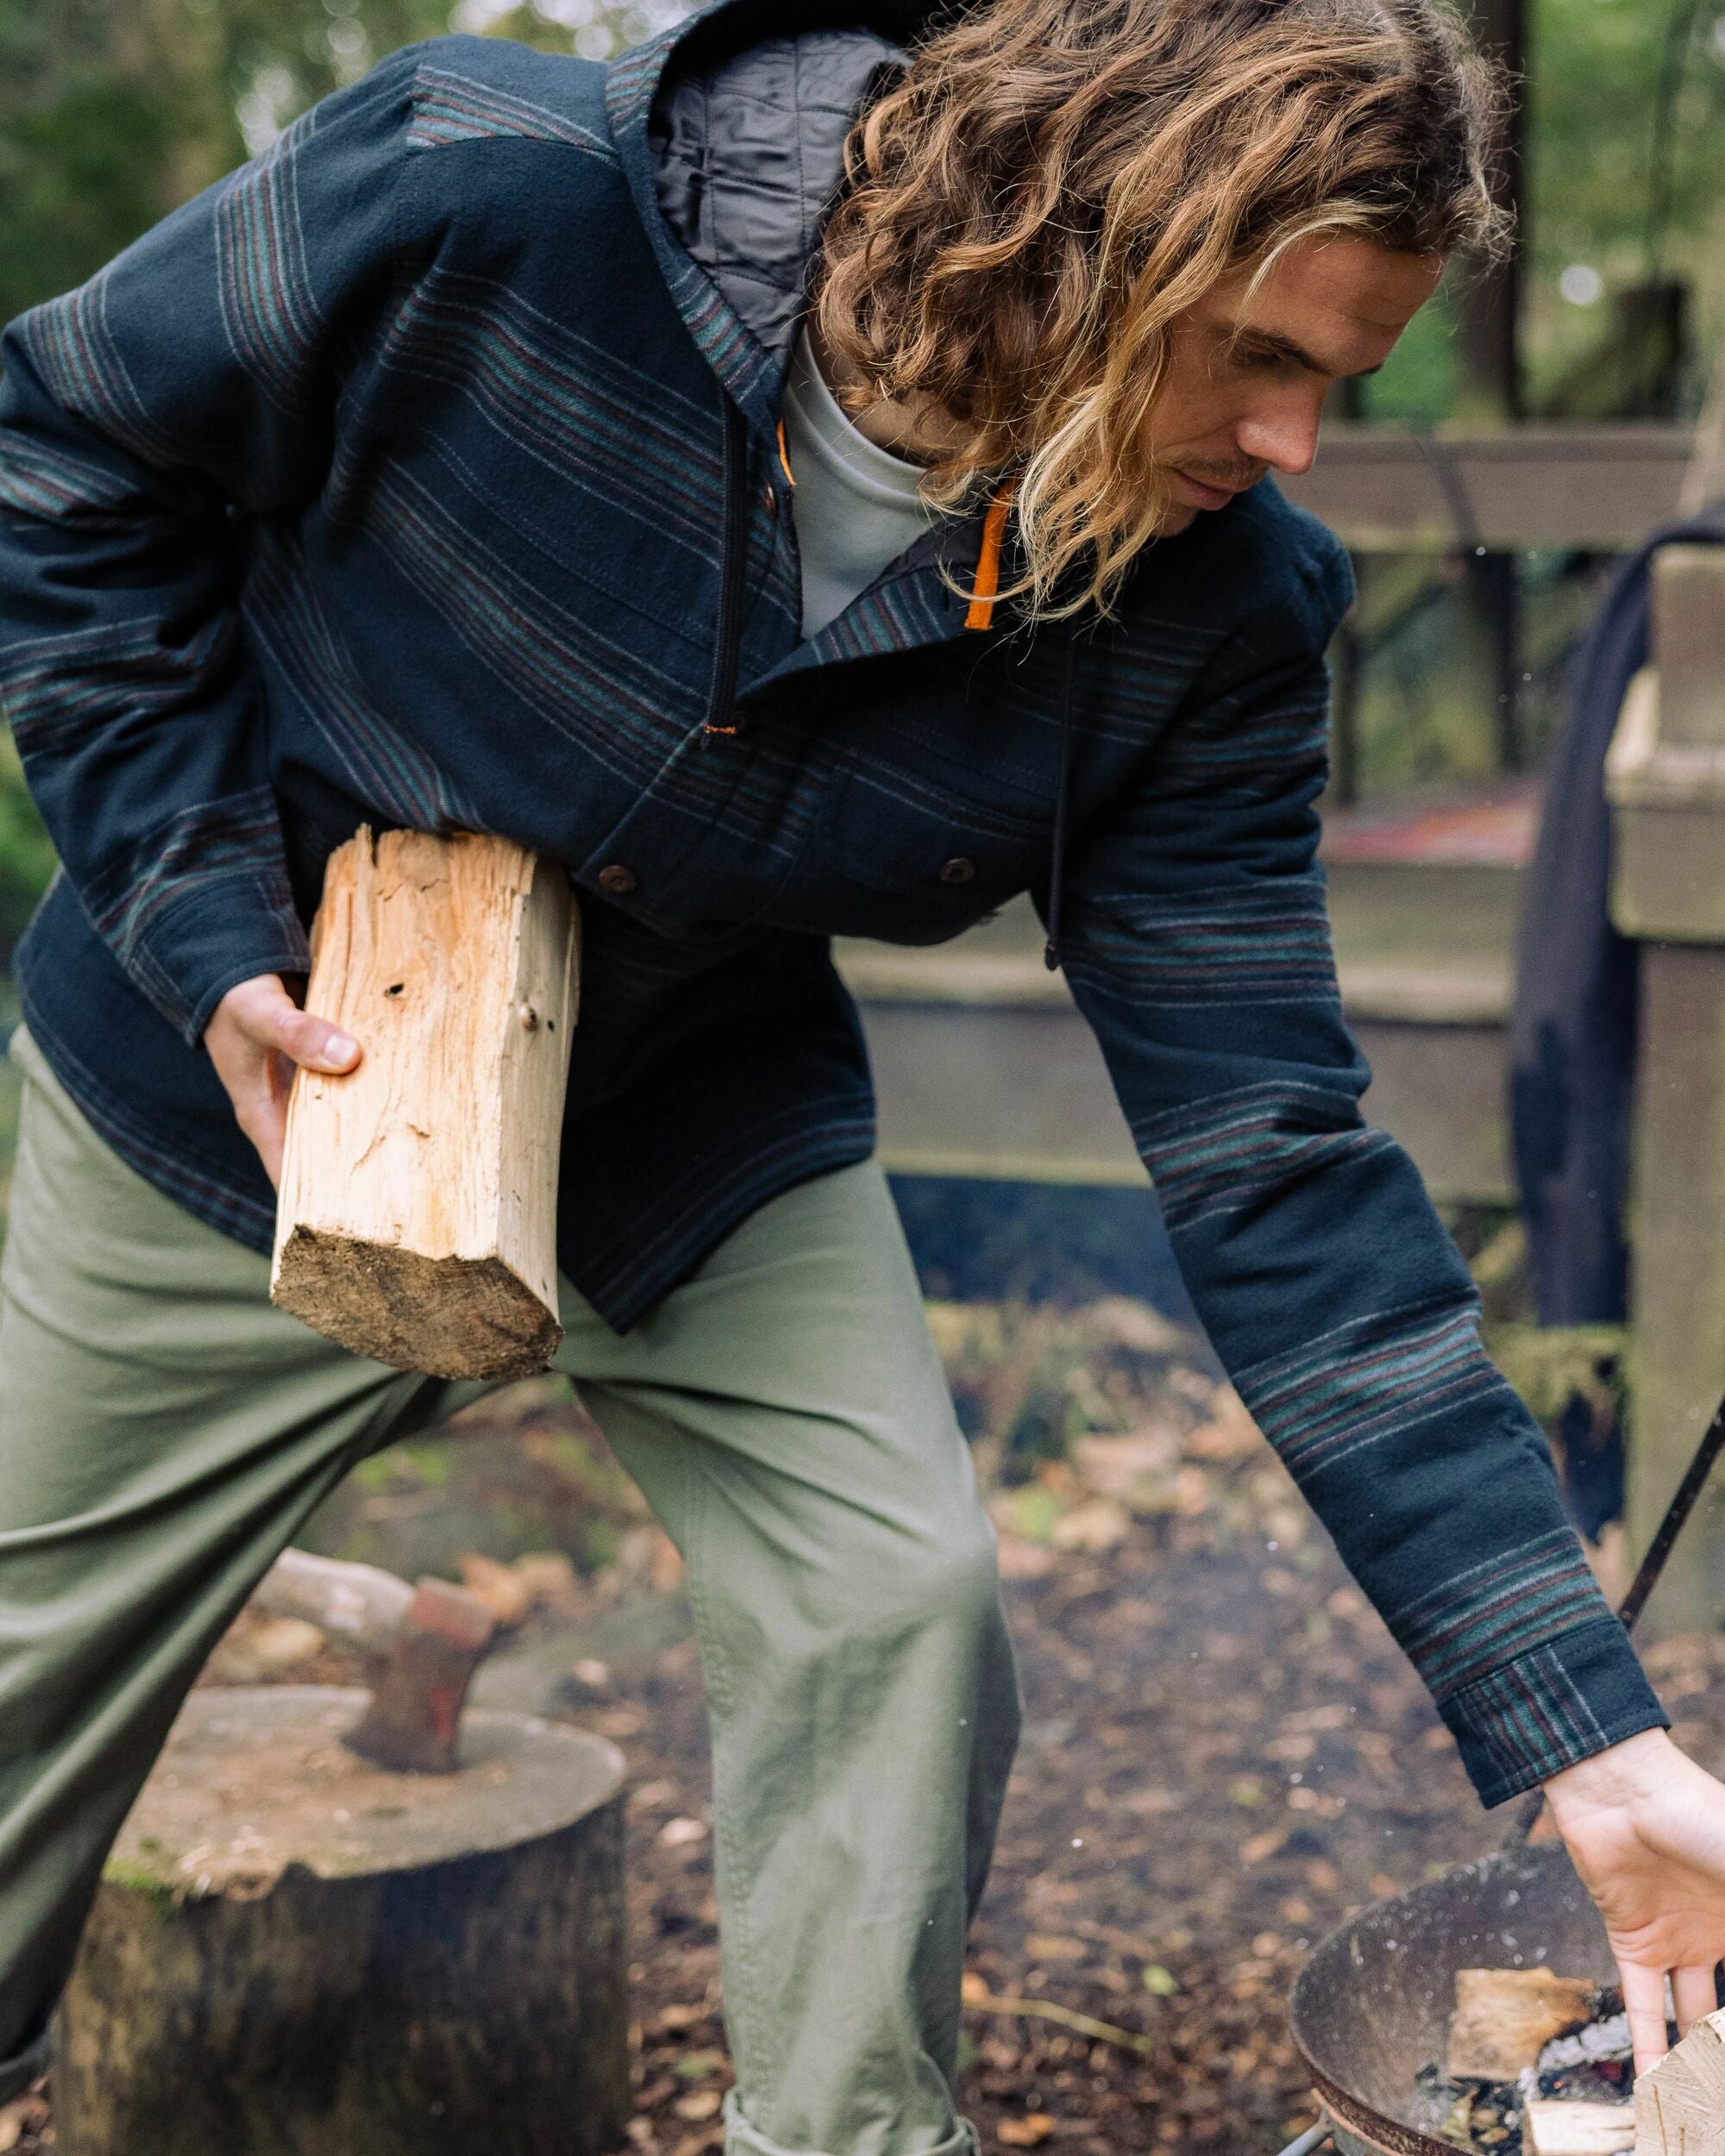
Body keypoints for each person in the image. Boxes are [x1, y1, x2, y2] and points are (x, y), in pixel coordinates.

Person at [0, 0, 1722, 2143]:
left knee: (896, 1606)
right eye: (1258, 355)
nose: (1296, 445)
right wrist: (192, 917)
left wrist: (1594, 1739)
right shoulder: (492, 192)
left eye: (1339, 382)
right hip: (224, 1086)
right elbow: (58, 433)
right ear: (1075, 237)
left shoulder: (1211, 613)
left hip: (692, 1124)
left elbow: (1277, 1162)